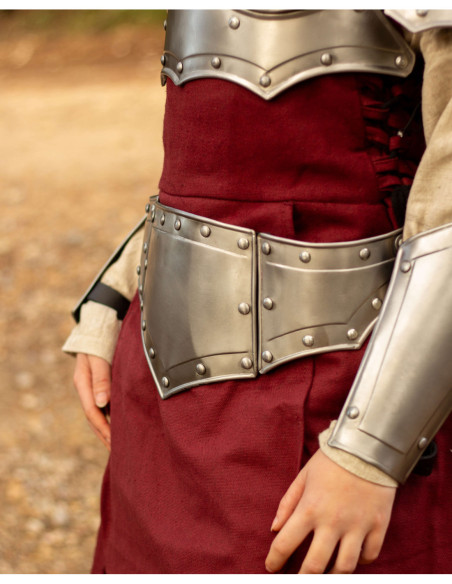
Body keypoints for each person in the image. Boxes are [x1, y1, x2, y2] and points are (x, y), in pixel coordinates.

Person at [63, 10, 452, 574]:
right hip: (163, 391)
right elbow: (216, 164)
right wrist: (113, 296)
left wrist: (371, 451)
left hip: (347, 387)